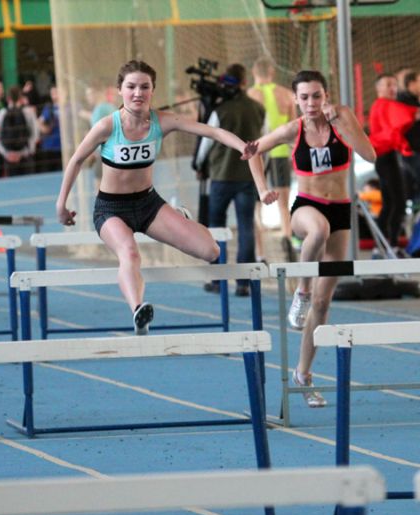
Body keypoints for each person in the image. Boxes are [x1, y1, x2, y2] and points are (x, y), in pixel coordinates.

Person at [56, 60, 277, 335]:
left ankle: (180, 218)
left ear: (153, 90)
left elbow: (212, 131)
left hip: (148, 204)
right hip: (111, 209)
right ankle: (138, 310)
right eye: (131, 87)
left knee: (212, 252)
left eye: (144, 87)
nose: (138, 93)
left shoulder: (163, 121)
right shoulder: (107, 126)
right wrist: (61, 204)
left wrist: (242, 146)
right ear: (120, 90)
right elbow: (76, 160)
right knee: (129, 253)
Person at [249, 70, 375, 407]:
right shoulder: (293, 130)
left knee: (323, 303)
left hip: (340, 209)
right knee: (318, 231)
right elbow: (252, 150)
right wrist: (262, 189)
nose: (311, 103)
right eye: (304, 97)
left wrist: (343, 125)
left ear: (326, 95)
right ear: (295, 99)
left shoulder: (342, 117)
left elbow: (370, 155)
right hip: (306, 207)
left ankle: (303, 374)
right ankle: (302, 290)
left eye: (316, 96)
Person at [196, 63, 266, 297]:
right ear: (245, 82)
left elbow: (206, 142)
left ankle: (218, 279)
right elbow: (264, 140)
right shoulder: (258, 109)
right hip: (247, 177)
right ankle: (244, 282)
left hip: (221, 176)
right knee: (246, 226)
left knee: (216, 226)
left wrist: (198, 164)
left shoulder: (220, 110)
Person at [247, 56, 297, 258]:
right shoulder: (286, 94)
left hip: (257, 152)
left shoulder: (249, 95)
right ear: (272, 72)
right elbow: (293, 126)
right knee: (284, 203)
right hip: (281, 151)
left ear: (253, 72)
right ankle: (287, 238)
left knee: (256, 206)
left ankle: (260, 254)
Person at [368, 73, 418, 250]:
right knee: (398, 202)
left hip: (387, 156)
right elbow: (392, 130)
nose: (393, 89)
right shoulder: (382, 105)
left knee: (391, 202)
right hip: (386, 157)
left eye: (395, 85)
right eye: (388, 85)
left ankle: (384, 243)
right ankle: (391, 243)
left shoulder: (385, 105)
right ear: (378, 88)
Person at [398, 70, 420, 207]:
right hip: (409, 149)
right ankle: (415, 210)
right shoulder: (404, 101)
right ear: (411, 83)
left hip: (417, 149)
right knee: (417, 184)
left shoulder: (416, 101)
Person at [0, 85, 36, 176]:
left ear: (8, 99)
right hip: (25, 156)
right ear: (21, 98)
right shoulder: (29, 113)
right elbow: (35, 134)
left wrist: (6, 153)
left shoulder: (0, 114)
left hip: (9, 158)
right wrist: (26, 152)